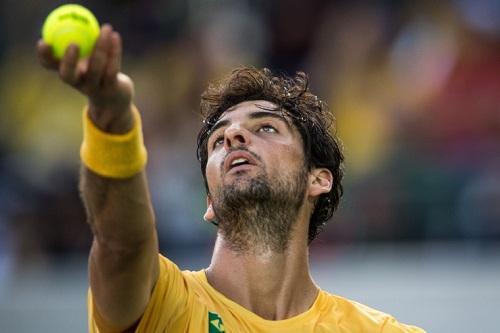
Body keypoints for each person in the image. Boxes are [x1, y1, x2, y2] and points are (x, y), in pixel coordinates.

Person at [37, 25, 426, 333]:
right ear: (209, 202)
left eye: (268, 128)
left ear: (318, 179)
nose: (234, 137)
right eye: (219, 140)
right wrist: (112, 119)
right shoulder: (163, 305)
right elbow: (121, 243)